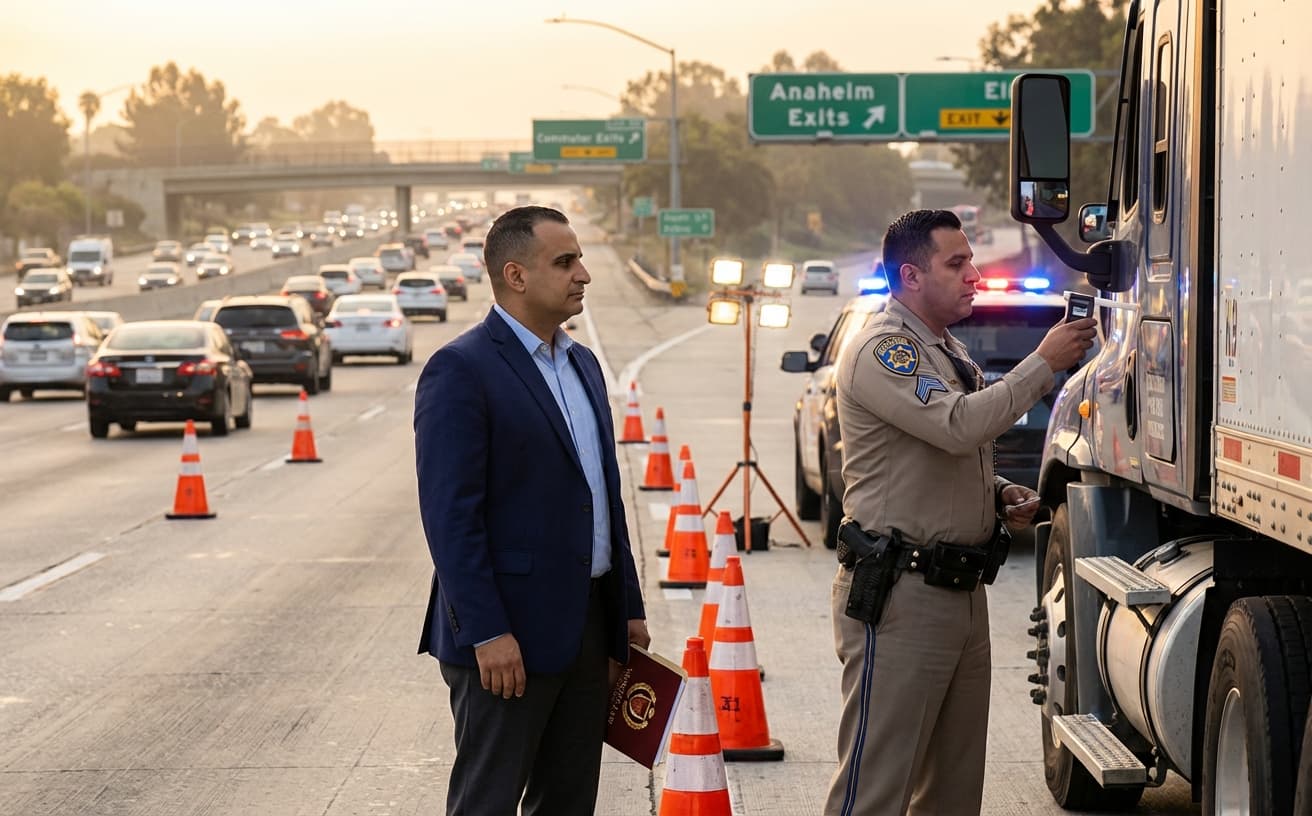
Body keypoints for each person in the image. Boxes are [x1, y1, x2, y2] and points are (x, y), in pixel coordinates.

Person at [824, 209, 1096, 816]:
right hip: (901, 595)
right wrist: (1044, 362)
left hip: (960, 591)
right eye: (957, 262)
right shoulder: (884, 350)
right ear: (911, 276)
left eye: (971, 259)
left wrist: (998, 493)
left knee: (953, 792)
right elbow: (956, 426)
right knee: (875, 789)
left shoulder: (945, 351)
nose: (974, 273)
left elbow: (945, 454)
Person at [413, 205, 650, 816]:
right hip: (506, 640)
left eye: (580, 260)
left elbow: (602, 497)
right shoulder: (461, 369)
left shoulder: (583, 364)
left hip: (589, 628)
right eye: (565, 262)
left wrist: (627, 608)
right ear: (515, 276)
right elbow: (450, 520)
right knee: (486, 802)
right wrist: (489, 631)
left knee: (568, 802)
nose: (583, 275)